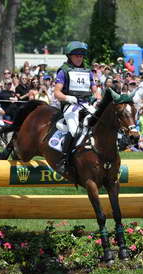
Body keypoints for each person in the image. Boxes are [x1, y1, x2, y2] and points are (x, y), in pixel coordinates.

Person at [53, 41, 102, 174]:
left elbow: (95, 90)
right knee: (74, 131)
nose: (79, 58)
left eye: (81, 55)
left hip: (86, 104)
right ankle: (64, 160)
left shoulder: (88, 72)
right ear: (69, 56)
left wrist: (97, 98)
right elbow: (56, 92)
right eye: (76, 55)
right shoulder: (63, 71)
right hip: (71, 105)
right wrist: (67, 98)